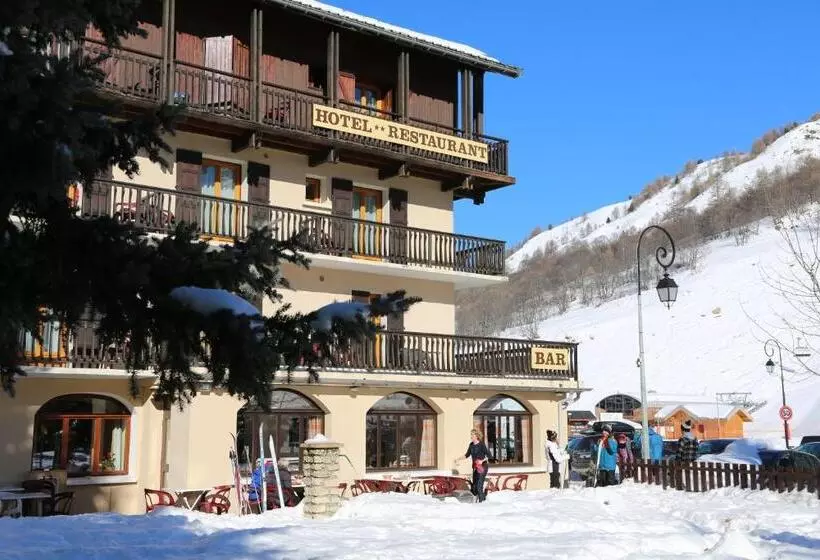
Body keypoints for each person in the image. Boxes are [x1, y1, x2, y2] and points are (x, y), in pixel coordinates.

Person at [464, 429, 490, 502]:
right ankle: (483, 497)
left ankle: (481, 503)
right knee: (474, 488)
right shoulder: (471, 445)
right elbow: (467, 455)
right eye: (471, 434)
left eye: (472, 434)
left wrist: (482, 461)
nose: (471, 436)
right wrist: (458, 459)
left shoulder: (481, 444)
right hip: (475, 468)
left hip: (483, 467)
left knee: (479, 486)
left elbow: (489, 455)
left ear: (476, 436)